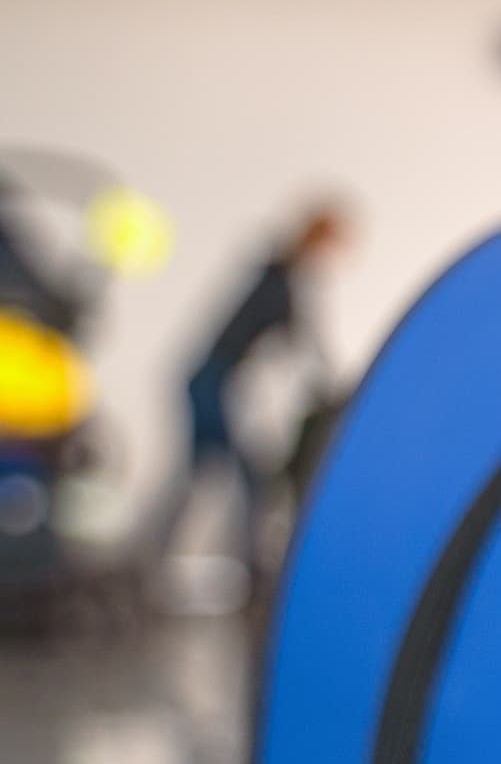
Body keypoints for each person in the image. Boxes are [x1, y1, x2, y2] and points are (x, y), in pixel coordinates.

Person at [139, 199, 348, 580]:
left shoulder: (278, 275)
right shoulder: (280, 282)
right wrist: (332, 388)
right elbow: (303, 343)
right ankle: (247, 568)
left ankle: (152, 559)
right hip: (213, 381)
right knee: (243, 475)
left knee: (203, 472)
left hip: (211, 379)